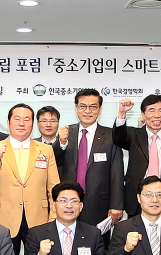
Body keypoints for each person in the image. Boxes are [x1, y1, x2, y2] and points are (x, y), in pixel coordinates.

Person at [0, 103, 60, 255]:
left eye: (26, 119)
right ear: (8, 123)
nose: (22, 123)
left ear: (33, 124)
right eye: (17, 119)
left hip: (38, 217)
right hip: (3, 216)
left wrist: (54, 214)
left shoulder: (45, 149)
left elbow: (54, 186)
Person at [53, 89, 125, 229]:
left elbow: (117, 172)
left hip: (100, 203)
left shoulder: (110, 136)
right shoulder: (66, 133)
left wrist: (116, 205)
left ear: (100, 109)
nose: (87, 111)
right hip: (68, 203)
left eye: (93, 106)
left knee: (98, 241)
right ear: (76, 108)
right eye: (83, 106)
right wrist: (61, 143)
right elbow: (55, 163)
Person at [113, 95, 161, 219]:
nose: (157, 115)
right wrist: (122, 113)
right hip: (137, 200)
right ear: (143, 114)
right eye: (151, 110)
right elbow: (118, 138)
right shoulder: (133, 134)